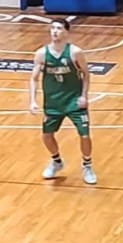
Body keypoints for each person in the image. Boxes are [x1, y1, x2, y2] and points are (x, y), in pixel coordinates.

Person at [30, 18, 96, 184]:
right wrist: (32, 101)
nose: (55, 31)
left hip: (74, 100)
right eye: (52, 28)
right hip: (53, 102)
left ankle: (87, 165)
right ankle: (57, 161)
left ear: (66, 32)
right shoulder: (41, 53)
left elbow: (86, 74)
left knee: (85, 135)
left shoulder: (75, 52)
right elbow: (34, 78)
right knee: (47, 136)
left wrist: (84, 96)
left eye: (59, 28)